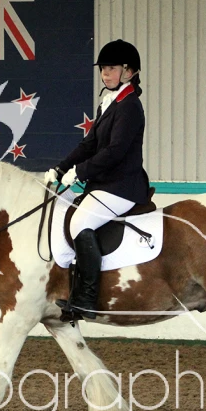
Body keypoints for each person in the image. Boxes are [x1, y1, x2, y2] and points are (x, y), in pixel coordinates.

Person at [44, 39, 151, 321]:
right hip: (103, 184)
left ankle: (86, 299)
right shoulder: (110, 102)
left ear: (129, 72)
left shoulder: (130, 106)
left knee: (80, 222)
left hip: (122, 186)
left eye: (111, 68)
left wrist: (80, 172)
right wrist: (61, 167)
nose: (105, 73)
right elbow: (89, 144)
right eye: (103, 68)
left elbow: (115, 151)